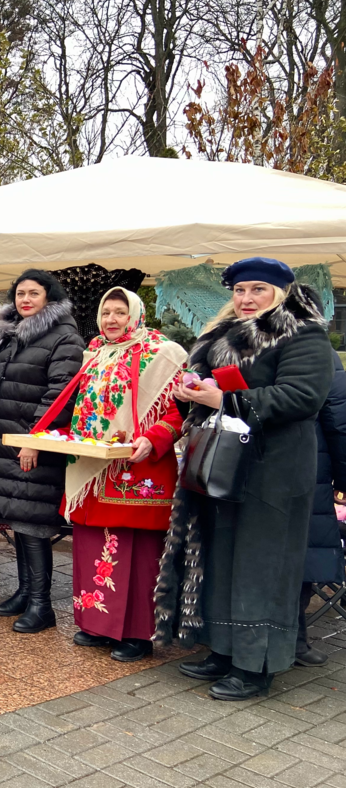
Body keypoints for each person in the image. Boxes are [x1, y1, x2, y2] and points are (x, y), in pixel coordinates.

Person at [157, 257, 334, 700]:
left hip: (274, 468)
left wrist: (228, 399)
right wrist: (192, 393)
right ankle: (222, 649)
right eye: (240, 290)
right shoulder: (221, 336)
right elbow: (211, 393)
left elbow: (303, 396)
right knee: (222, 557)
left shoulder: (303, 331)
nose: (247, 298)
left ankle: (256, 666)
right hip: (224, 465)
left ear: (281, 291)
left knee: (262, 565)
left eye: (258, 289)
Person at [48, 288, 187, 662]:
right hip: (94, 467)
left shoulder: (164, 354)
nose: (111, 319)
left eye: (120, 312)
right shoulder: (94, 354)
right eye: (106, 312)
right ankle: (97, 625)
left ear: (136, 315)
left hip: (138, 467)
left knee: (137, 553)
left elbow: (180, 413)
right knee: (92, 543)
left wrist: (154, 437)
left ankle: (138, 634)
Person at [0, 269, 84, 633]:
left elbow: (60, 394)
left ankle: (42, 605)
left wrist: (33, 440)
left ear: (49, 299)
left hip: (34, 444)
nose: (25, 299)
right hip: (8, 440)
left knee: (34, 521)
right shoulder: (13, 337)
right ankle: (25, 592)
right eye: (20, 293)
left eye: (33, 293)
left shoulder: (64, 338)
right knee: (18, 516)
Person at [298, 349, 346, 666]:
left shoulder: (320, 353)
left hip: (309, 467)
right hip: (310, 466)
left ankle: (294, 641)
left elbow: (339, 419)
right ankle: (295, 641)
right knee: (300, 555)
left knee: (299, 554)